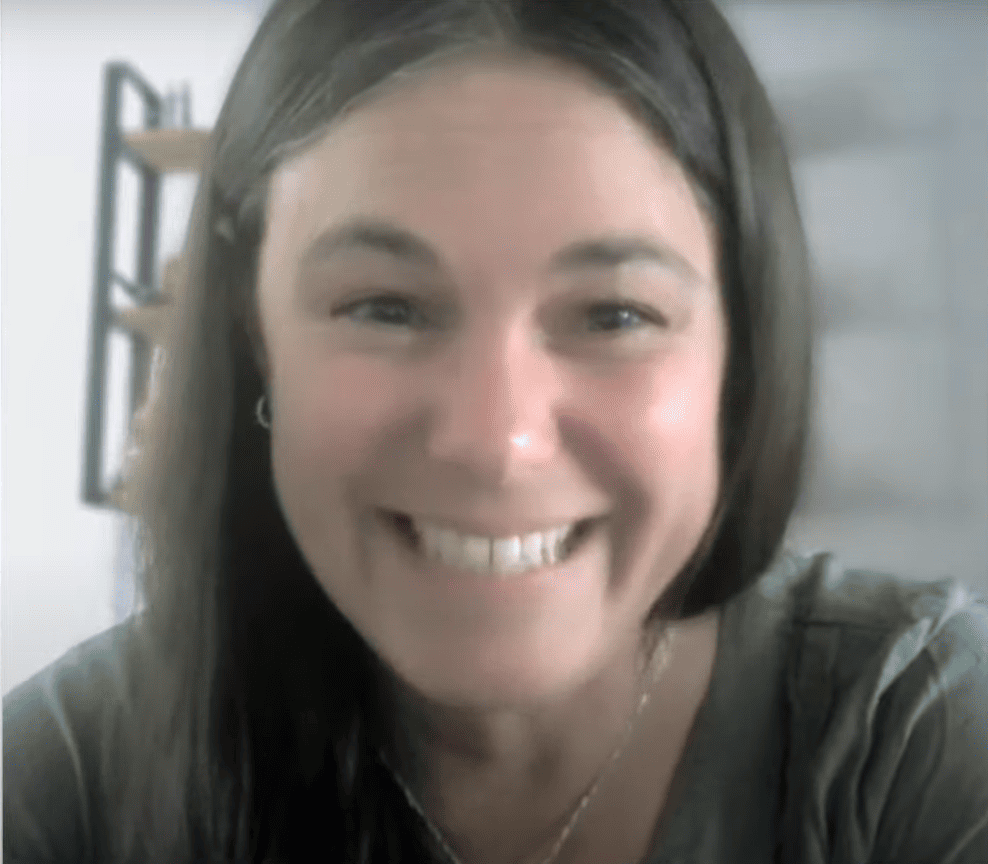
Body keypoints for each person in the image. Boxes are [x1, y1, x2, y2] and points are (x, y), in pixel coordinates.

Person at [4, 1, 987, 862]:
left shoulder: (915, 735)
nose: (495, 440)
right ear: (251, 332)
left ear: (740, 348)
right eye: (386, 306)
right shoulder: (73, 776)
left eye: (613, 314)